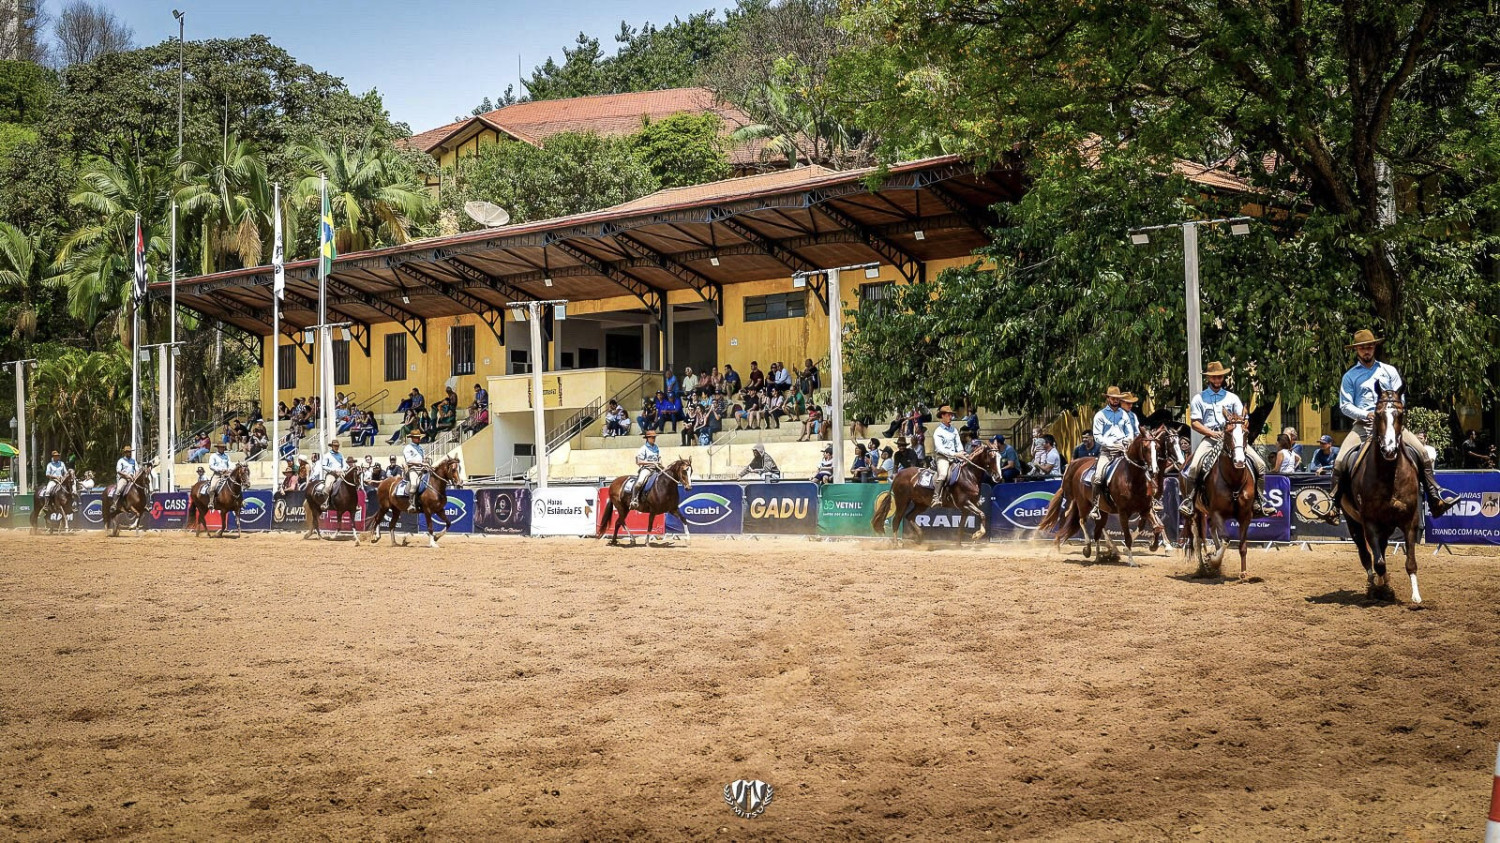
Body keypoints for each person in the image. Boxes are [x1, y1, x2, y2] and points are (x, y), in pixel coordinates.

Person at [1324, 329, 1458, 521]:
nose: (1366, 351)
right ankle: (1333, 506)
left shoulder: (1389, 371)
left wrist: (1390, 414)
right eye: (1362, 348)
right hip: (1363, 425)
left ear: (1374, 347)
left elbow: (1400, 398)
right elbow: (1345, 405)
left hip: (1391, 424)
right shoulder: (1350, 376)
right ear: (1357, 351)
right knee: (1340, 460)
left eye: (1369, 346)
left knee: (1422, 452)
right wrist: (1366, 414)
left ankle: (1435, 497)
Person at [1176, 363, 1271, 518]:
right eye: (1214, 376)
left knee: (1260, 465)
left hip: (1233, 439)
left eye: (1219, 376)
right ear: (1208, 378)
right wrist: (1211, 433)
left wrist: (1239, 427)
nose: (1217, 379)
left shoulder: (1232, 398)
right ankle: (1189, 500)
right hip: (1211, 439)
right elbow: (1195, 422)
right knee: (1193, 467)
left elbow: (1244, 418)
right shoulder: (1199, 399)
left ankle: (1259, 501)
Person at [1089, 386, 1140, 520]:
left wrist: (1126, 441)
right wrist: (1111, 444)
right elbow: (1097, 436)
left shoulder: (1124, 414)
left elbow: (1129, 432)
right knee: (1098, 477)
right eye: (1113, 398)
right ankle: (1095, 506)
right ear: (1108, 398)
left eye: (1117, 399)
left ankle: (1147, 500)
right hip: (1107, 451)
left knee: (1140, 469)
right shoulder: (1100, 415)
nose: (1116, 401)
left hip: (1123, 451)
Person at [930, 405, 963, 506]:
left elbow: (958, 444)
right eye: (948, 415)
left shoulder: (954, 430)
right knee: (943, 474)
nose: (950, 417)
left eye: (951, 415)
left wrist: (962, 452)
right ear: (943, 416)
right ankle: (936, 498)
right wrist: (955, 454)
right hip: (942, 458)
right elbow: (940, 449)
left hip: (956, 457)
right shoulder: (938, 432)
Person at [632, 430, 662, 510]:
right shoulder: (643, 448)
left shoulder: (656, 447)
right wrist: (651, 463)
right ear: (647, 438)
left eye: (654, 437)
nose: (654, 439)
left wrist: (660, 463)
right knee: (640, 482)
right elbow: (638, 462)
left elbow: (659, 458)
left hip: (657, 469)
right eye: (652, 437)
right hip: (647, 469)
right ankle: (634, 499)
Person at [401, 431, 428, 513]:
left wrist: (426, 461)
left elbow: (424, 458)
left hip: (422, 469)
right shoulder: (408, 448)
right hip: (413, 469)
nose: (419, 439)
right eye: (417, 437)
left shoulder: (421, 448)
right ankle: (411, 504)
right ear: (412, 438)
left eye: (419, 437)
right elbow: (409, 461)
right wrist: (420, 463)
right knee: (414, 484)